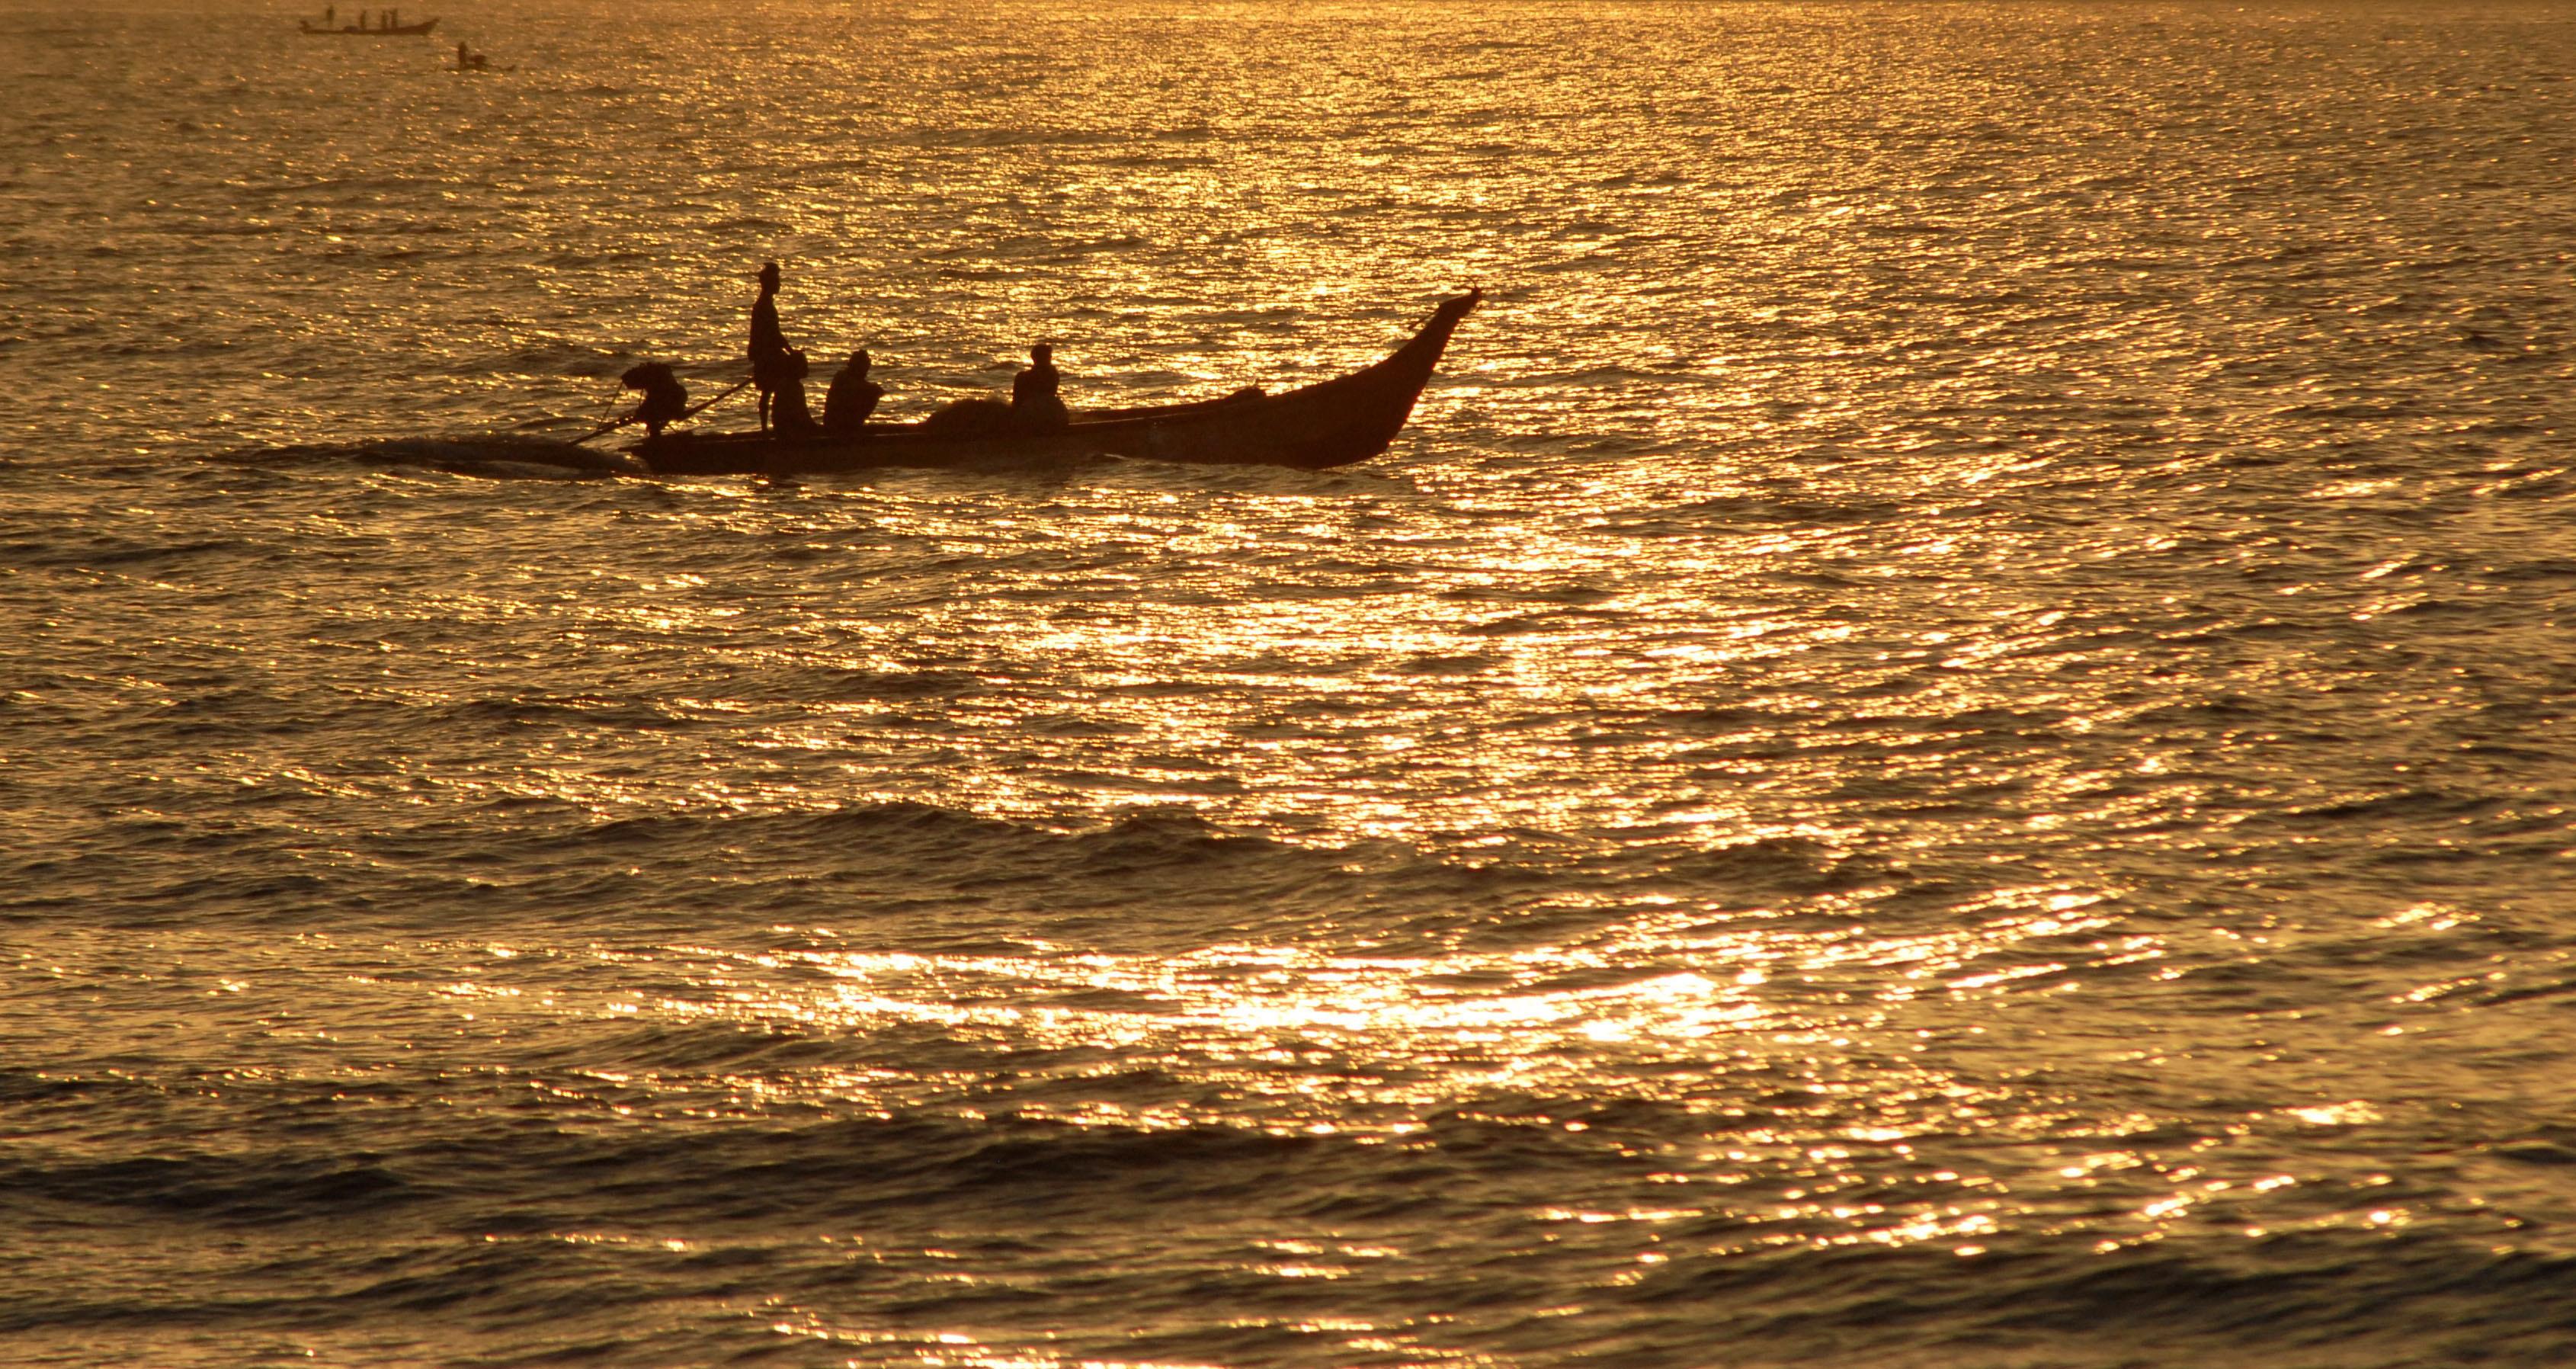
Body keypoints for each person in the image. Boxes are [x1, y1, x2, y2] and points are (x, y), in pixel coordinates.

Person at [747, 261, 795, 432]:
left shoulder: (764, 305)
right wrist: (791, 352)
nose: (780, 285)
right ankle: (768, 429)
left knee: (769, 392)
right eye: (777, 281)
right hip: (767, 356)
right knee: (772, 391)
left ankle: (768, 428)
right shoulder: (764, 306)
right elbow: (774, 334)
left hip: (768, 353)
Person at [1010, 342, 1069, 432]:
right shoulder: (1053, 375)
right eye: (1049, 356)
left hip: (1033, 413)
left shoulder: (1023, 377)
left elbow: (1016, 403)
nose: (1050, 358)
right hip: (1055, 413)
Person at [620, 362, 688, 438]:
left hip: (672, 398)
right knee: (648, 415)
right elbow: (651, 402)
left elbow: (651, 403)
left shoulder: (652, 378)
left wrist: (639, 415)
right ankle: (656, 436)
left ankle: (655, 440)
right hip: (677, 396)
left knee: (649, 416)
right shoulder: (656, 376)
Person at [823, 350, 883, 437]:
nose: (867, 368)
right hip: (836, 425)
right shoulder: (842, 377)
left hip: (846, 423)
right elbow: (855, 387)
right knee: (873, 393)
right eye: (864, 365)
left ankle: (855, 426)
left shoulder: (859, 381)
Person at [769, 350, 821, 436]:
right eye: (804, 365)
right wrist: (815, 428)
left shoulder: (785, 383)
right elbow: (800, 414)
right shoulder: (793, 386)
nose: (807, 368)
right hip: (790, 431)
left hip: (783, 428)